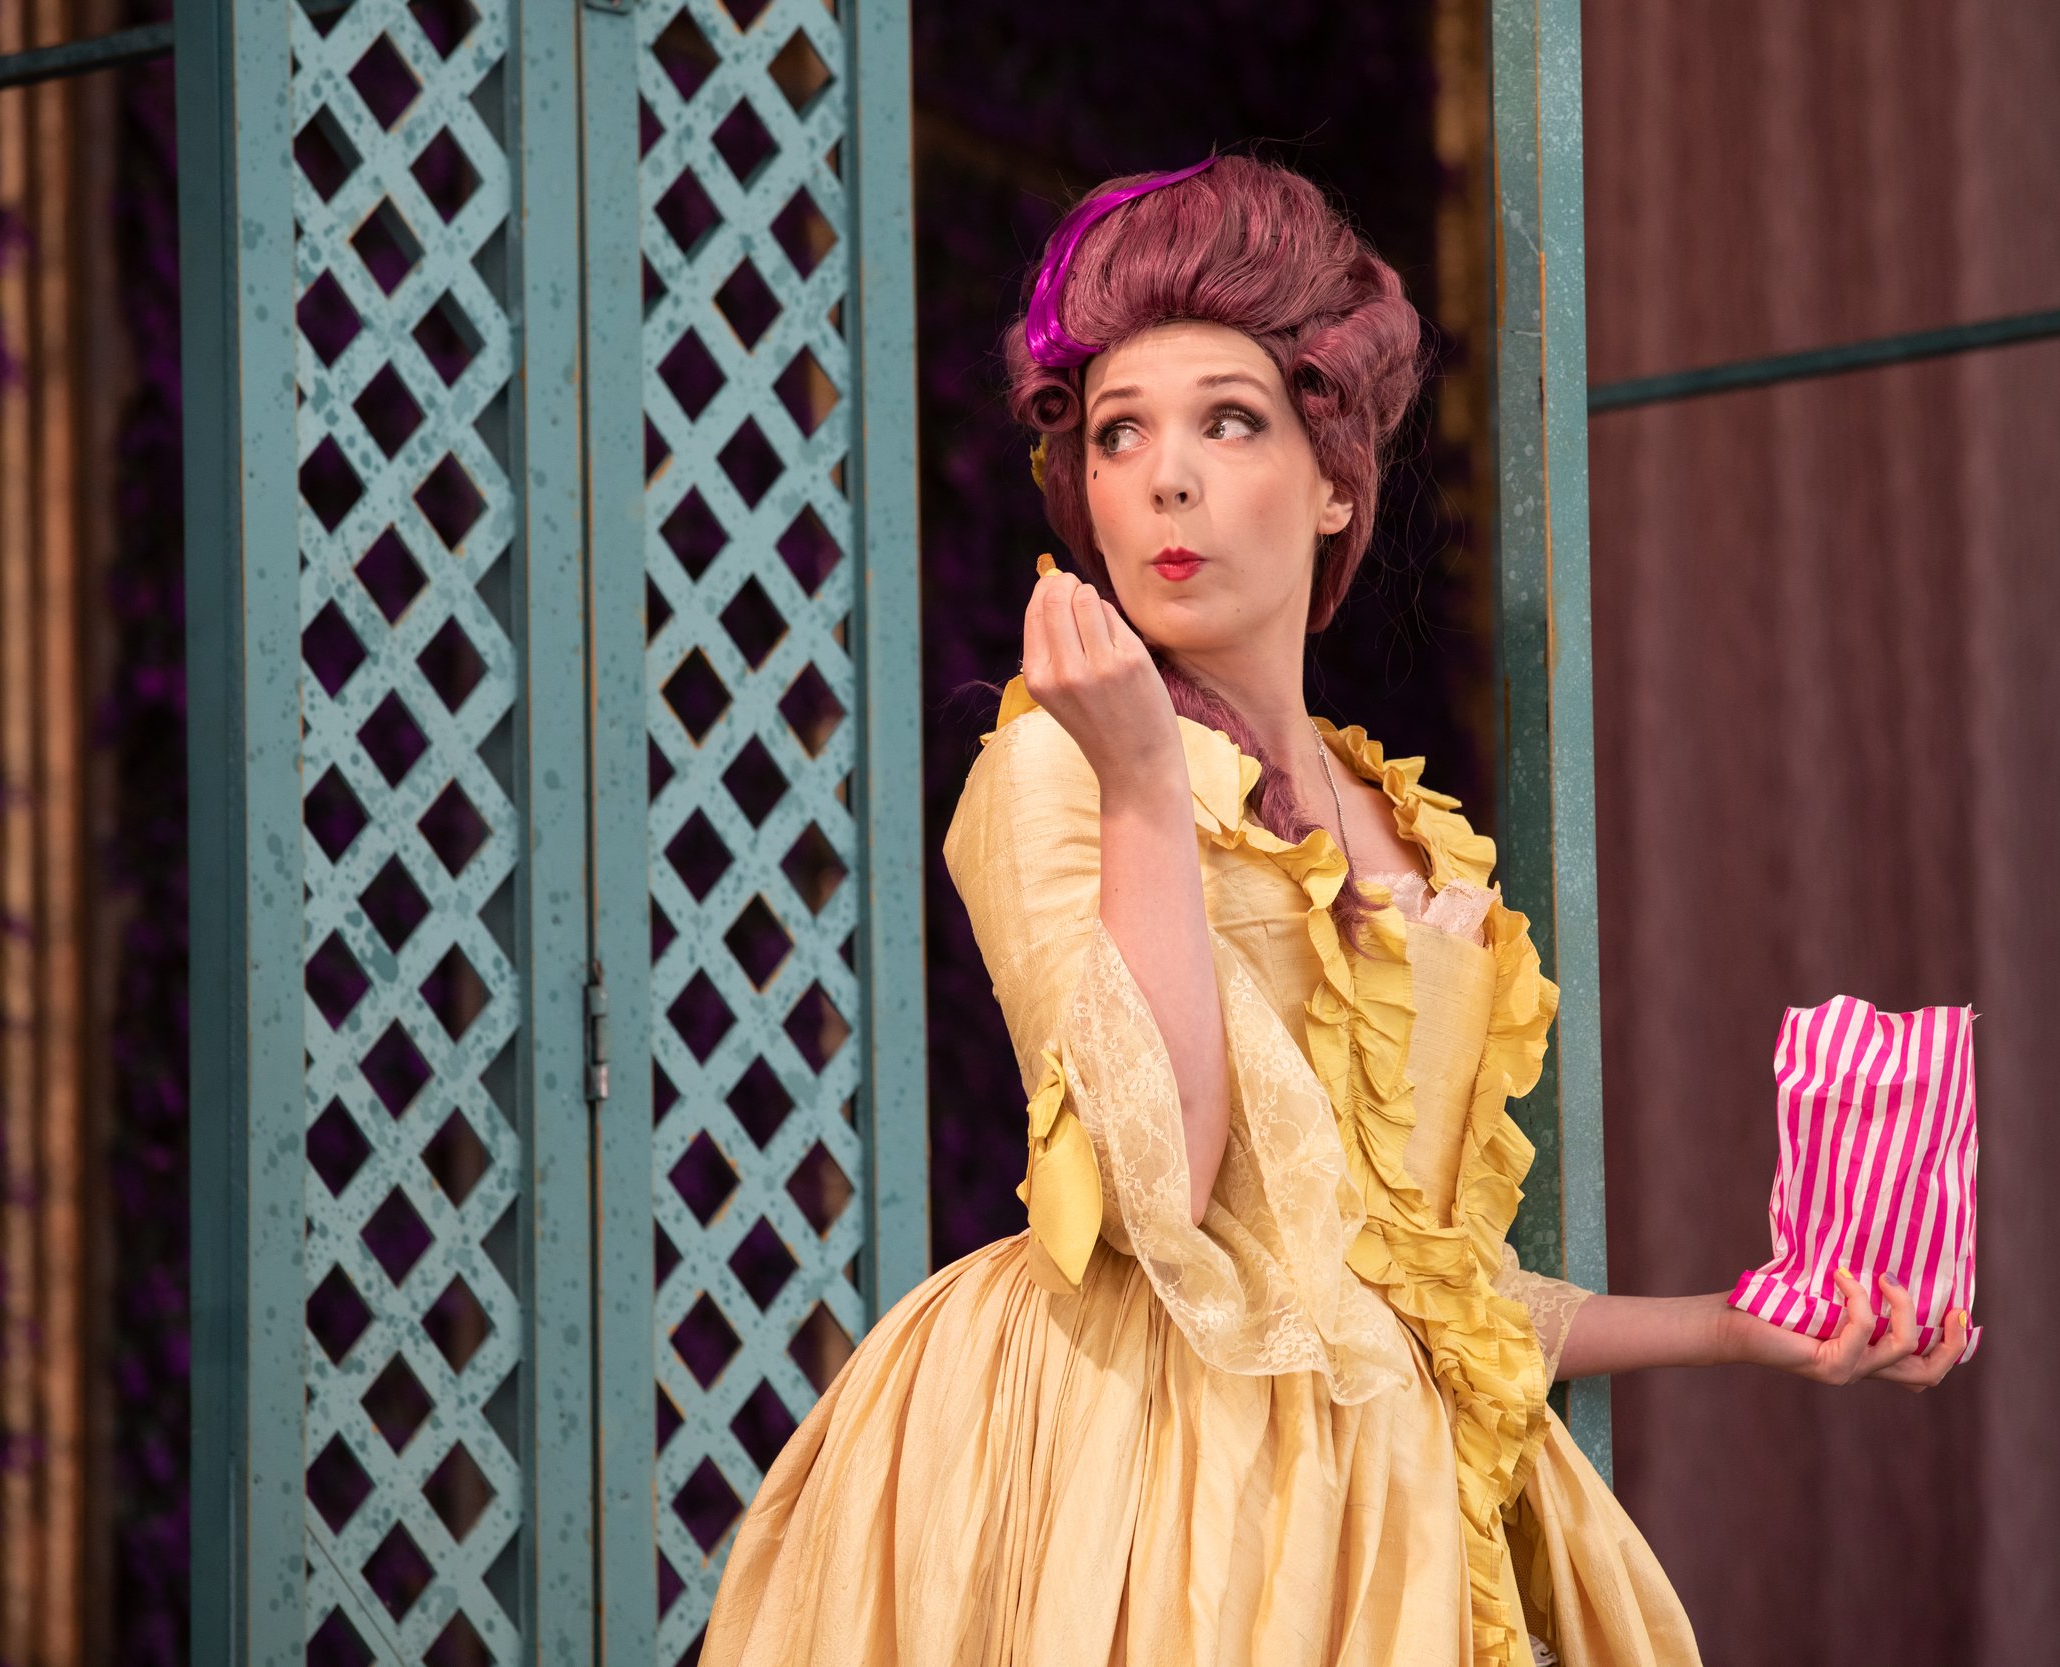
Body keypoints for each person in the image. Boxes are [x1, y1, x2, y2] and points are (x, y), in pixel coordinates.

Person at [702, 153, 1969, 1667]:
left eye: (1229, 421)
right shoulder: (1058, 771)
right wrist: (1144, 784)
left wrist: (1725, 1325)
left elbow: (1409, 1278)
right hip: (1144, 1474)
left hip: (1374, 1490)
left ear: (1334, 483)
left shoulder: (1401, 823)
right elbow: (1164, 1193)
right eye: (1117, 432)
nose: (1165, 476)